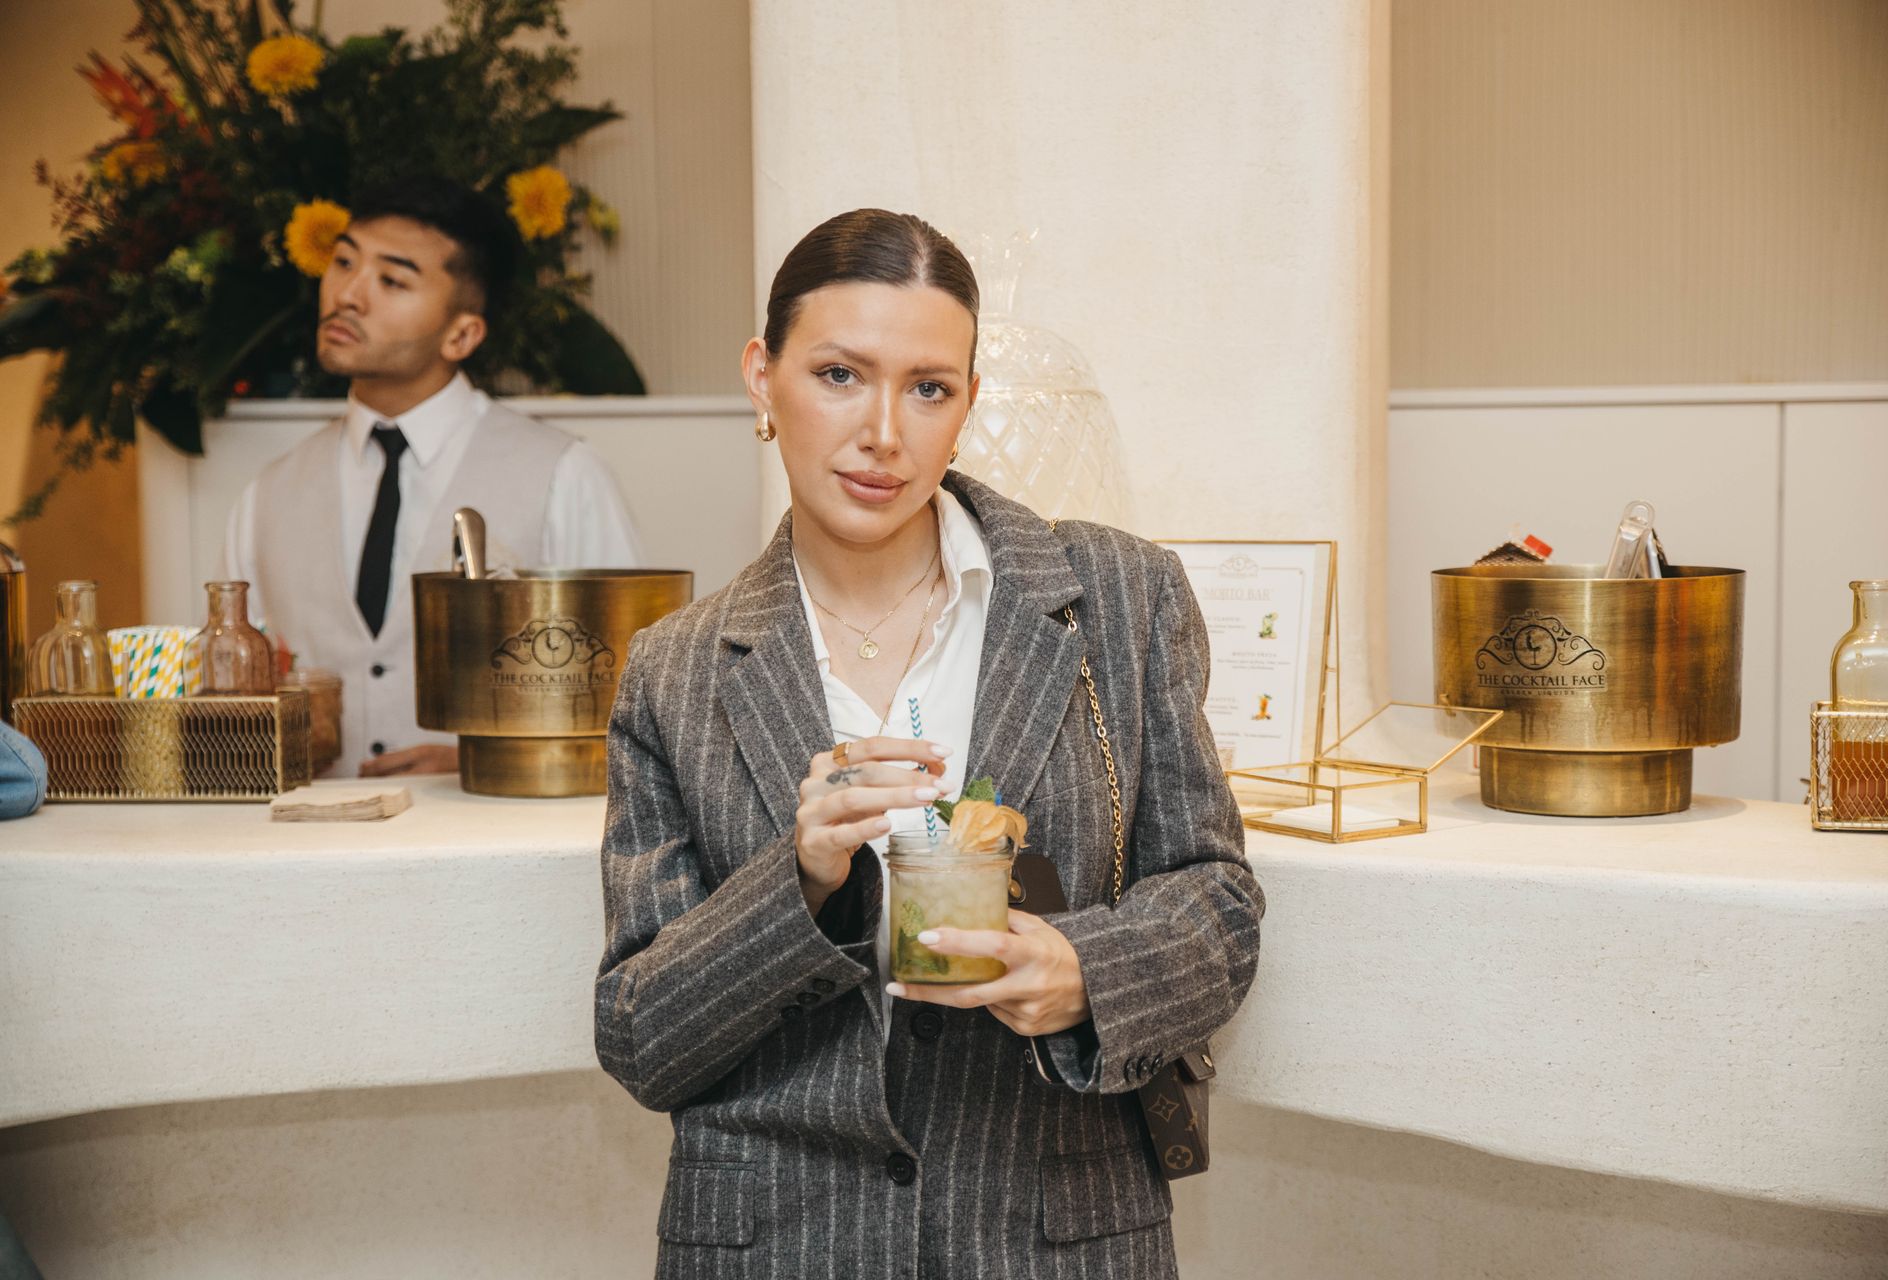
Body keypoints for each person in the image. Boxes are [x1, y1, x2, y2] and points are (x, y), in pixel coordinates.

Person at [594, 209, 1263, 1277]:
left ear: (968, 403)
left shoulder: (1119, 597)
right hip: (779, 1240)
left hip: (1054, 1229)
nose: (884, 433)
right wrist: (799, 878)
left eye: (929, 388)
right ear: (763, 378)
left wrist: (1082, 970)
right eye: (839, 375)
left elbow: (1218, 902)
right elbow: (640, 1035)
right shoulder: (676, 671)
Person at [221, 177, 645, 778]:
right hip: (306, 831)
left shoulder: (563, 474)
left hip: (492, 831)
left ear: (461, 334)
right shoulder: (267, 494)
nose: (349, 294)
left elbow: (637, 706)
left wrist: (486, 760)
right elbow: (229, 696)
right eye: (344, 263)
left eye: (392, 281)